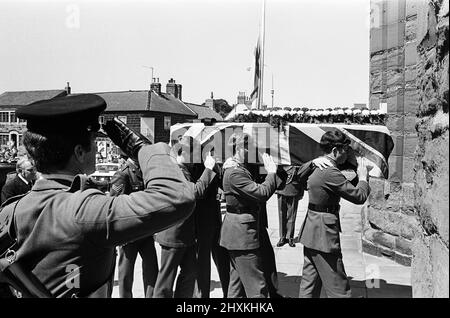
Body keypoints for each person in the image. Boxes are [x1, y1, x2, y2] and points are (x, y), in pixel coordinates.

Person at [0, 94, 196, 298]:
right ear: (79, 152)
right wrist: (144, 150)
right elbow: (176, 198)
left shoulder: (10, 210)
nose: (96, 147)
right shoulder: (84, 210)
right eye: (94, 141)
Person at [298, 130, 371, 298]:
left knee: (309, 284)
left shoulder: (318, 166)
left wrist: (312, 162)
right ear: (335, 150)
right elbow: (358, 196)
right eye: (345, 149)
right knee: (338, 286)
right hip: (324, 233)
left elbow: (297, 175)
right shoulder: (329, 171)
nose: (347, 153)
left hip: (312, 229)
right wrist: (363, 178)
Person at [153, 136, 217, 298]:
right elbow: (194, 192)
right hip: (174, 234)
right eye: (194, 154)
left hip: (186, 234)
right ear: (182, 152)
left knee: (190, 272)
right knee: (166, 281)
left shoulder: (184, 169)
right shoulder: (176, 171)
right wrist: (208, 169)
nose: (196, 158)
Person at [219, 132, 281, 298]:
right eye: (250, 147)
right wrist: (271, 172)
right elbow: (261, 193)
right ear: (240, 148)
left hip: (238, 233)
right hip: (242, 236)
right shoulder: (234, 173)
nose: (253, 151)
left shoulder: (238, 169)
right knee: (257, 288)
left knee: (236, 287)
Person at [109, 154, 159, 298]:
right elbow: (114, 205)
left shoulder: (144, 171)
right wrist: (119, 233)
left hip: (145, 230)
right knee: (126, 272)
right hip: (129, 233)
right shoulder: (123, 174)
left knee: (152, 269)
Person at [275, 165, 306, 248]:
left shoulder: (296, 158)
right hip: (281, 188)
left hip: (294, 187)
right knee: (281, 214)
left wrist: (301, 191)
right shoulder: (280, 159)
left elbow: (302, 175)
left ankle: (290, 237)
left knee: (292, 215)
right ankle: (282, 237)